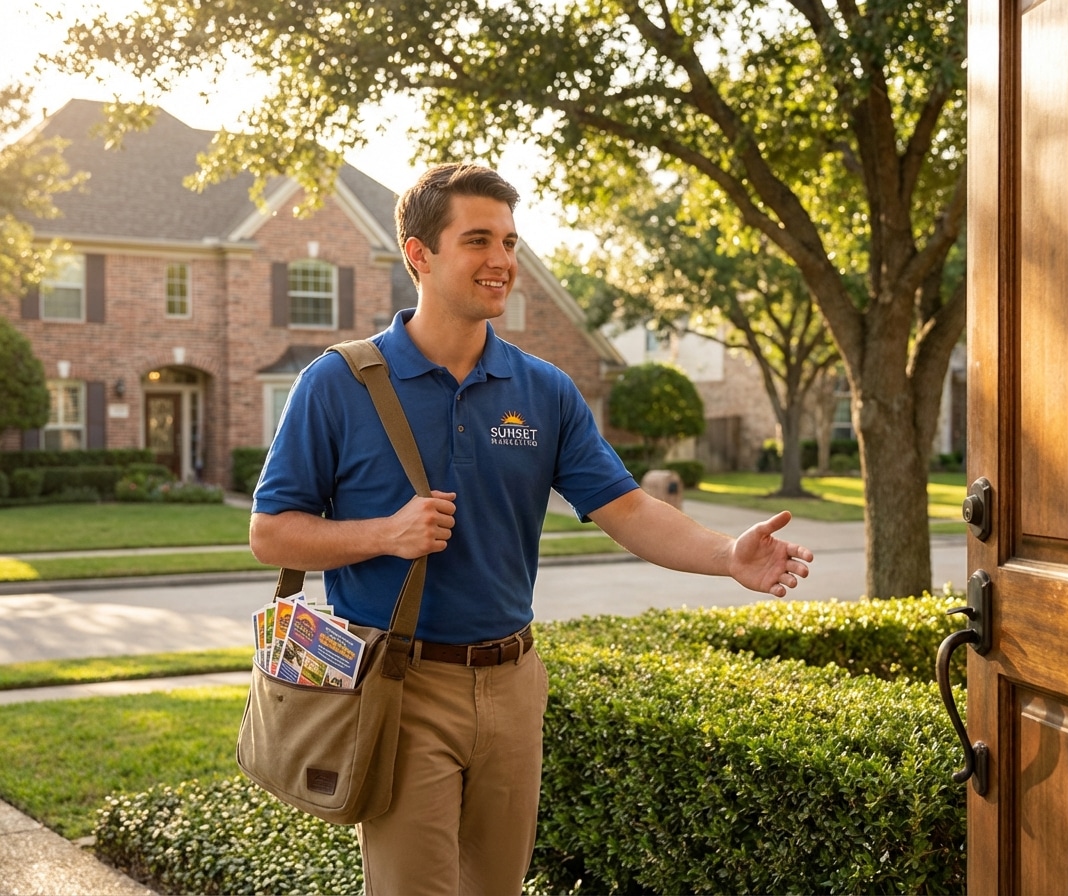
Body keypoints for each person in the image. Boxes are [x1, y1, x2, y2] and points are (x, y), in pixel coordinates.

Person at [249, 162, 815, 896]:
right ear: (419, 255)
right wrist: (383, 535)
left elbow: (630, 509)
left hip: (514, 683)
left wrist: (726, 555)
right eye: (478, 240)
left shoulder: (543, 390)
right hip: (400, 683)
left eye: (511, 242)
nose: (503, 261)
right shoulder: (338, 383)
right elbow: (272, 532)